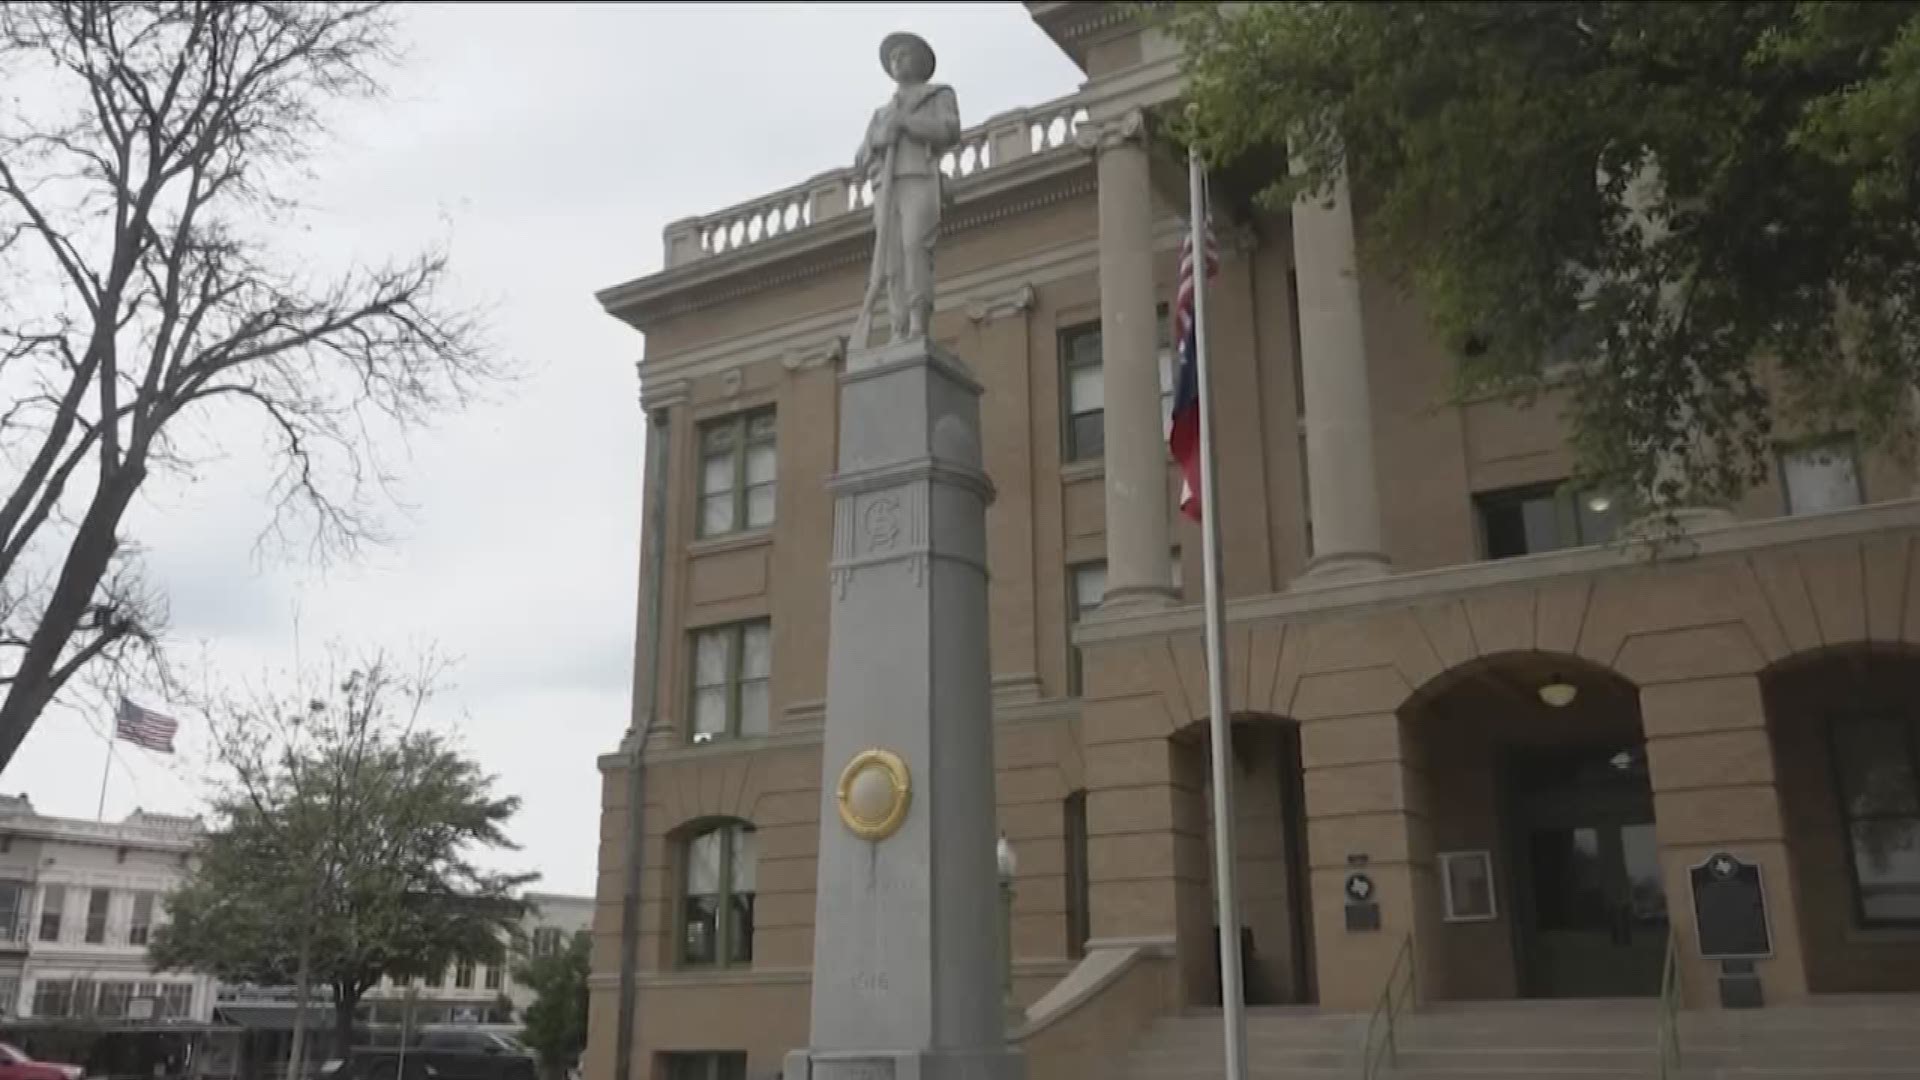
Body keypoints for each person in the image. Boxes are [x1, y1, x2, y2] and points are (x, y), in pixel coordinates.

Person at [852, 31, 961, 345]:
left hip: (918, 177)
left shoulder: (937, 94)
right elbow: (859, 160)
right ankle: (898, 327)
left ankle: (917, 323)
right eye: (893, 57)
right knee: (891, 261)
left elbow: (949, 130)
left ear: (920, 61)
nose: (897, 60)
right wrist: (877, 139)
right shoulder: (881, 114)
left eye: (904, 54)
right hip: (885, 188)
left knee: (915, 248)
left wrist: (907, 124)